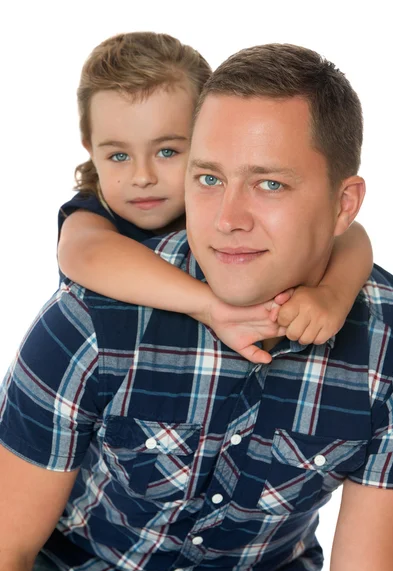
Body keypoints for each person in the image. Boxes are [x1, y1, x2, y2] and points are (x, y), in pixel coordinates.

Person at [1, 42, 393, 571]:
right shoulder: (95, 306)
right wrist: (211, 305)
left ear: (344, 204)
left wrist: (334, 297)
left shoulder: (386, 347)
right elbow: (5, 545)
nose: (228, 221)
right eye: (209, 179)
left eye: (270, 184)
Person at [56, 32, 372, 362]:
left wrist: (333, 296)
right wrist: (209, 306)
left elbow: (350, 234)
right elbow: (85, 253)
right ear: (91, 151)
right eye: (119, 156)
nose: (143, 178)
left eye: (167, 151)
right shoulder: (92, 214)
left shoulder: (219, 208)